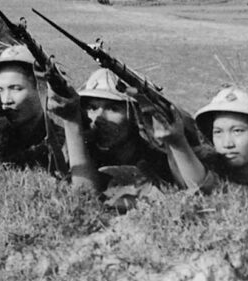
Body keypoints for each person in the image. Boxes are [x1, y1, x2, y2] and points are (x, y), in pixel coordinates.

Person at [48, 69, 172, 207]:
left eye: (113, 109)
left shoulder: (157, 159)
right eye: (92, 107)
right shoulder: (81, 150)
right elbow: (83, 197)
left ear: (137, 116)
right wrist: (72, 124)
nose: (98, 118)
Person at [152, 86, 248, 202]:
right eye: (218, 132)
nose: (227, 143)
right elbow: (183, 177)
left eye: (237, 131)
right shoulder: (215, 161)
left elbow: (213, 192)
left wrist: (178, 142)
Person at [0, 45, 64, 172]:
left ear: (42, 90)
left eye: (16, 89)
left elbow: (1, 170)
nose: (6, 100)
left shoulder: (60, 142)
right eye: (0, 90)